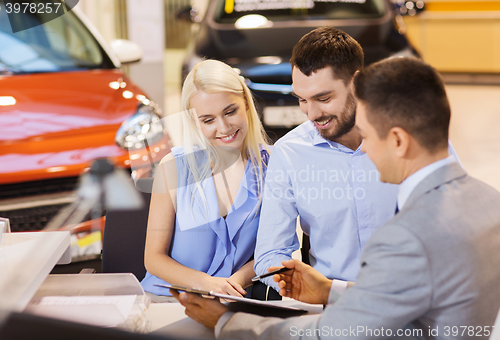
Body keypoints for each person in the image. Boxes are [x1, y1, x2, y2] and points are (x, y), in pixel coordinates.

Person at [173, 57, 500, 339]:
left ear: (398, 141)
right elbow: (418, 299)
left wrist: (226, 322)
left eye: (368, 137)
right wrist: (331, 290)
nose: (363, 151)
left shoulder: (404, 238)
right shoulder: (490, 202)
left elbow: (334, 332)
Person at [253, 26, 458, 293]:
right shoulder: (289, 153)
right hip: (329, 307)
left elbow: (458, 219)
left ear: (357, 82)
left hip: (412, 299)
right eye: (302, 100)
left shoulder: (410, 134)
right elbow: (270, 253)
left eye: (323, 98)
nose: (311, 113)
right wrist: (290, 279)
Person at [141, 59, 271, 300]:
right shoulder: (174, 168)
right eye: (208, 120)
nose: (223, 127)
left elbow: (274, 250)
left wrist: (234, 283)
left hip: (234, 299)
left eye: (230, 111)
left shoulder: (272, 166)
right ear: (193, 120)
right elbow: (154, 258)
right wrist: (207, 284)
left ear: (246, 103)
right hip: (168, 299)